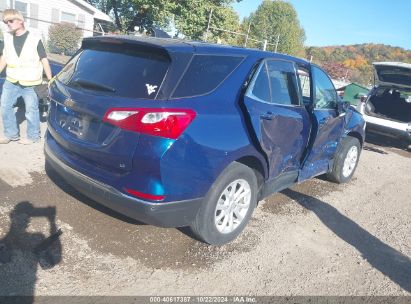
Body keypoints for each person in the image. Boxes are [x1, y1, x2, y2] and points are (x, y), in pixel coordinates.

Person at [0, 9, 52, 145]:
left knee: (31, 110)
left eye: (10, 21)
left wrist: (50, 79)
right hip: (11, 81)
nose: (8, 24)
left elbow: (44, 59)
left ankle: (33, 136)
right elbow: (4, 57)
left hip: (31, 83)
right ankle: (10, 134)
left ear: (20, 21)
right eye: (6, 22)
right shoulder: (7, 38)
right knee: (5, 107)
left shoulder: (35, 39)